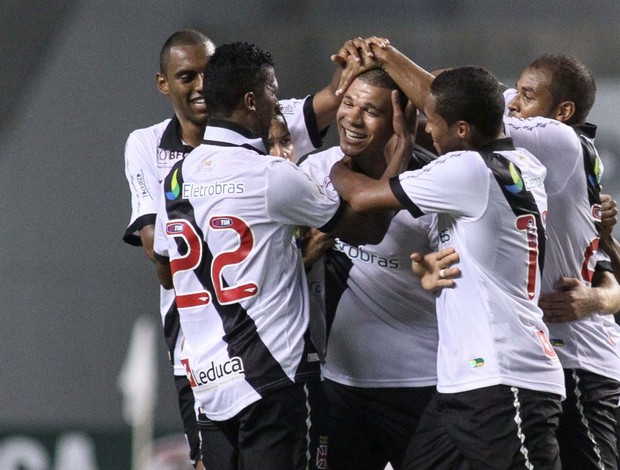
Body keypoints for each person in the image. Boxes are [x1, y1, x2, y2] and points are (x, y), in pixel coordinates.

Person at [151, 41, 397, 470]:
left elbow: (166, 267)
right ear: (252, 100)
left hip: (209, 383)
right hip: (273, 377)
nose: (275, 101)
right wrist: (361, 162)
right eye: (272, 91)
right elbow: (370, 229)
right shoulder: (270, 175)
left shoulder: (174, 178)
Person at [329, 45, 566, 469]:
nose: (426, 132)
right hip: (461, 383)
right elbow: (477, 243)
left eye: (431, 122)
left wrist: (338, 165)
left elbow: (364, 199)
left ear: (460, 130)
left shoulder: (468, 170)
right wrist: (426, 264)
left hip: (505, 375)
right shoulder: (523, 162)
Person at [299, 68, 440, 470]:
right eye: (348, 103)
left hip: (421, 380)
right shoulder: (314, 169)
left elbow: (461, 269)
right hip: (340, 382)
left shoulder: (433, 181)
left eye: (371, 110)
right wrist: (304, 254)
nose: (352, 118)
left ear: (400, 117)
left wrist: (441, 273)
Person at [505, 54, 620, 469]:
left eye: (527, 95)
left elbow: (609, 276)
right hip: (537, 362)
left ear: (563, 112)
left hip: (580, 360)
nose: (514, 103)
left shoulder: (557, 142)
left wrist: (597, 300)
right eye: (515, 91)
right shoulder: (534, 164)